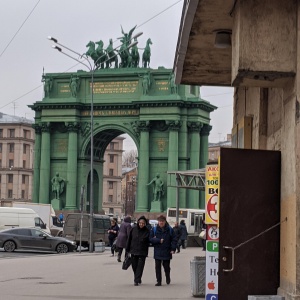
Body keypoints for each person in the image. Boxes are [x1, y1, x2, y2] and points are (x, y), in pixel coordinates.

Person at [149, 215, 177, 286]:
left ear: (165, 222)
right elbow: (150, 239)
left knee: (166, 267)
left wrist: (173, 249)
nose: (161, 222)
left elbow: (174, 239)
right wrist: (158, 240)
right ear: (158, 222)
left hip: (167, 250)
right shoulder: (154, 229)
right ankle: (159, 281)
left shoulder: (170, 229)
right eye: (160, 221)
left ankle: (167, 277)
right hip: (158, 250)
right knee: (157, 267)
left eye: (162, 221)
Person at [126, 216, 150, 286]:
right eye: (140, 223)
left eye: (143, 223)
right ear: (138, 223)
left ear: (145, 224)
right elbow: (129, 239)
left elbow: (148, 240)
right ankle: (137, 277)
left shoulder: (147, 231)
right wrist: (127, 249)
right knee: (134, 266)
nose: (141, 224)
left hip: (142, 251)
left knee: (140, 266)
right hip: (133, 250)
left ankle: (136, 280)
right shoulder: (133, 229)